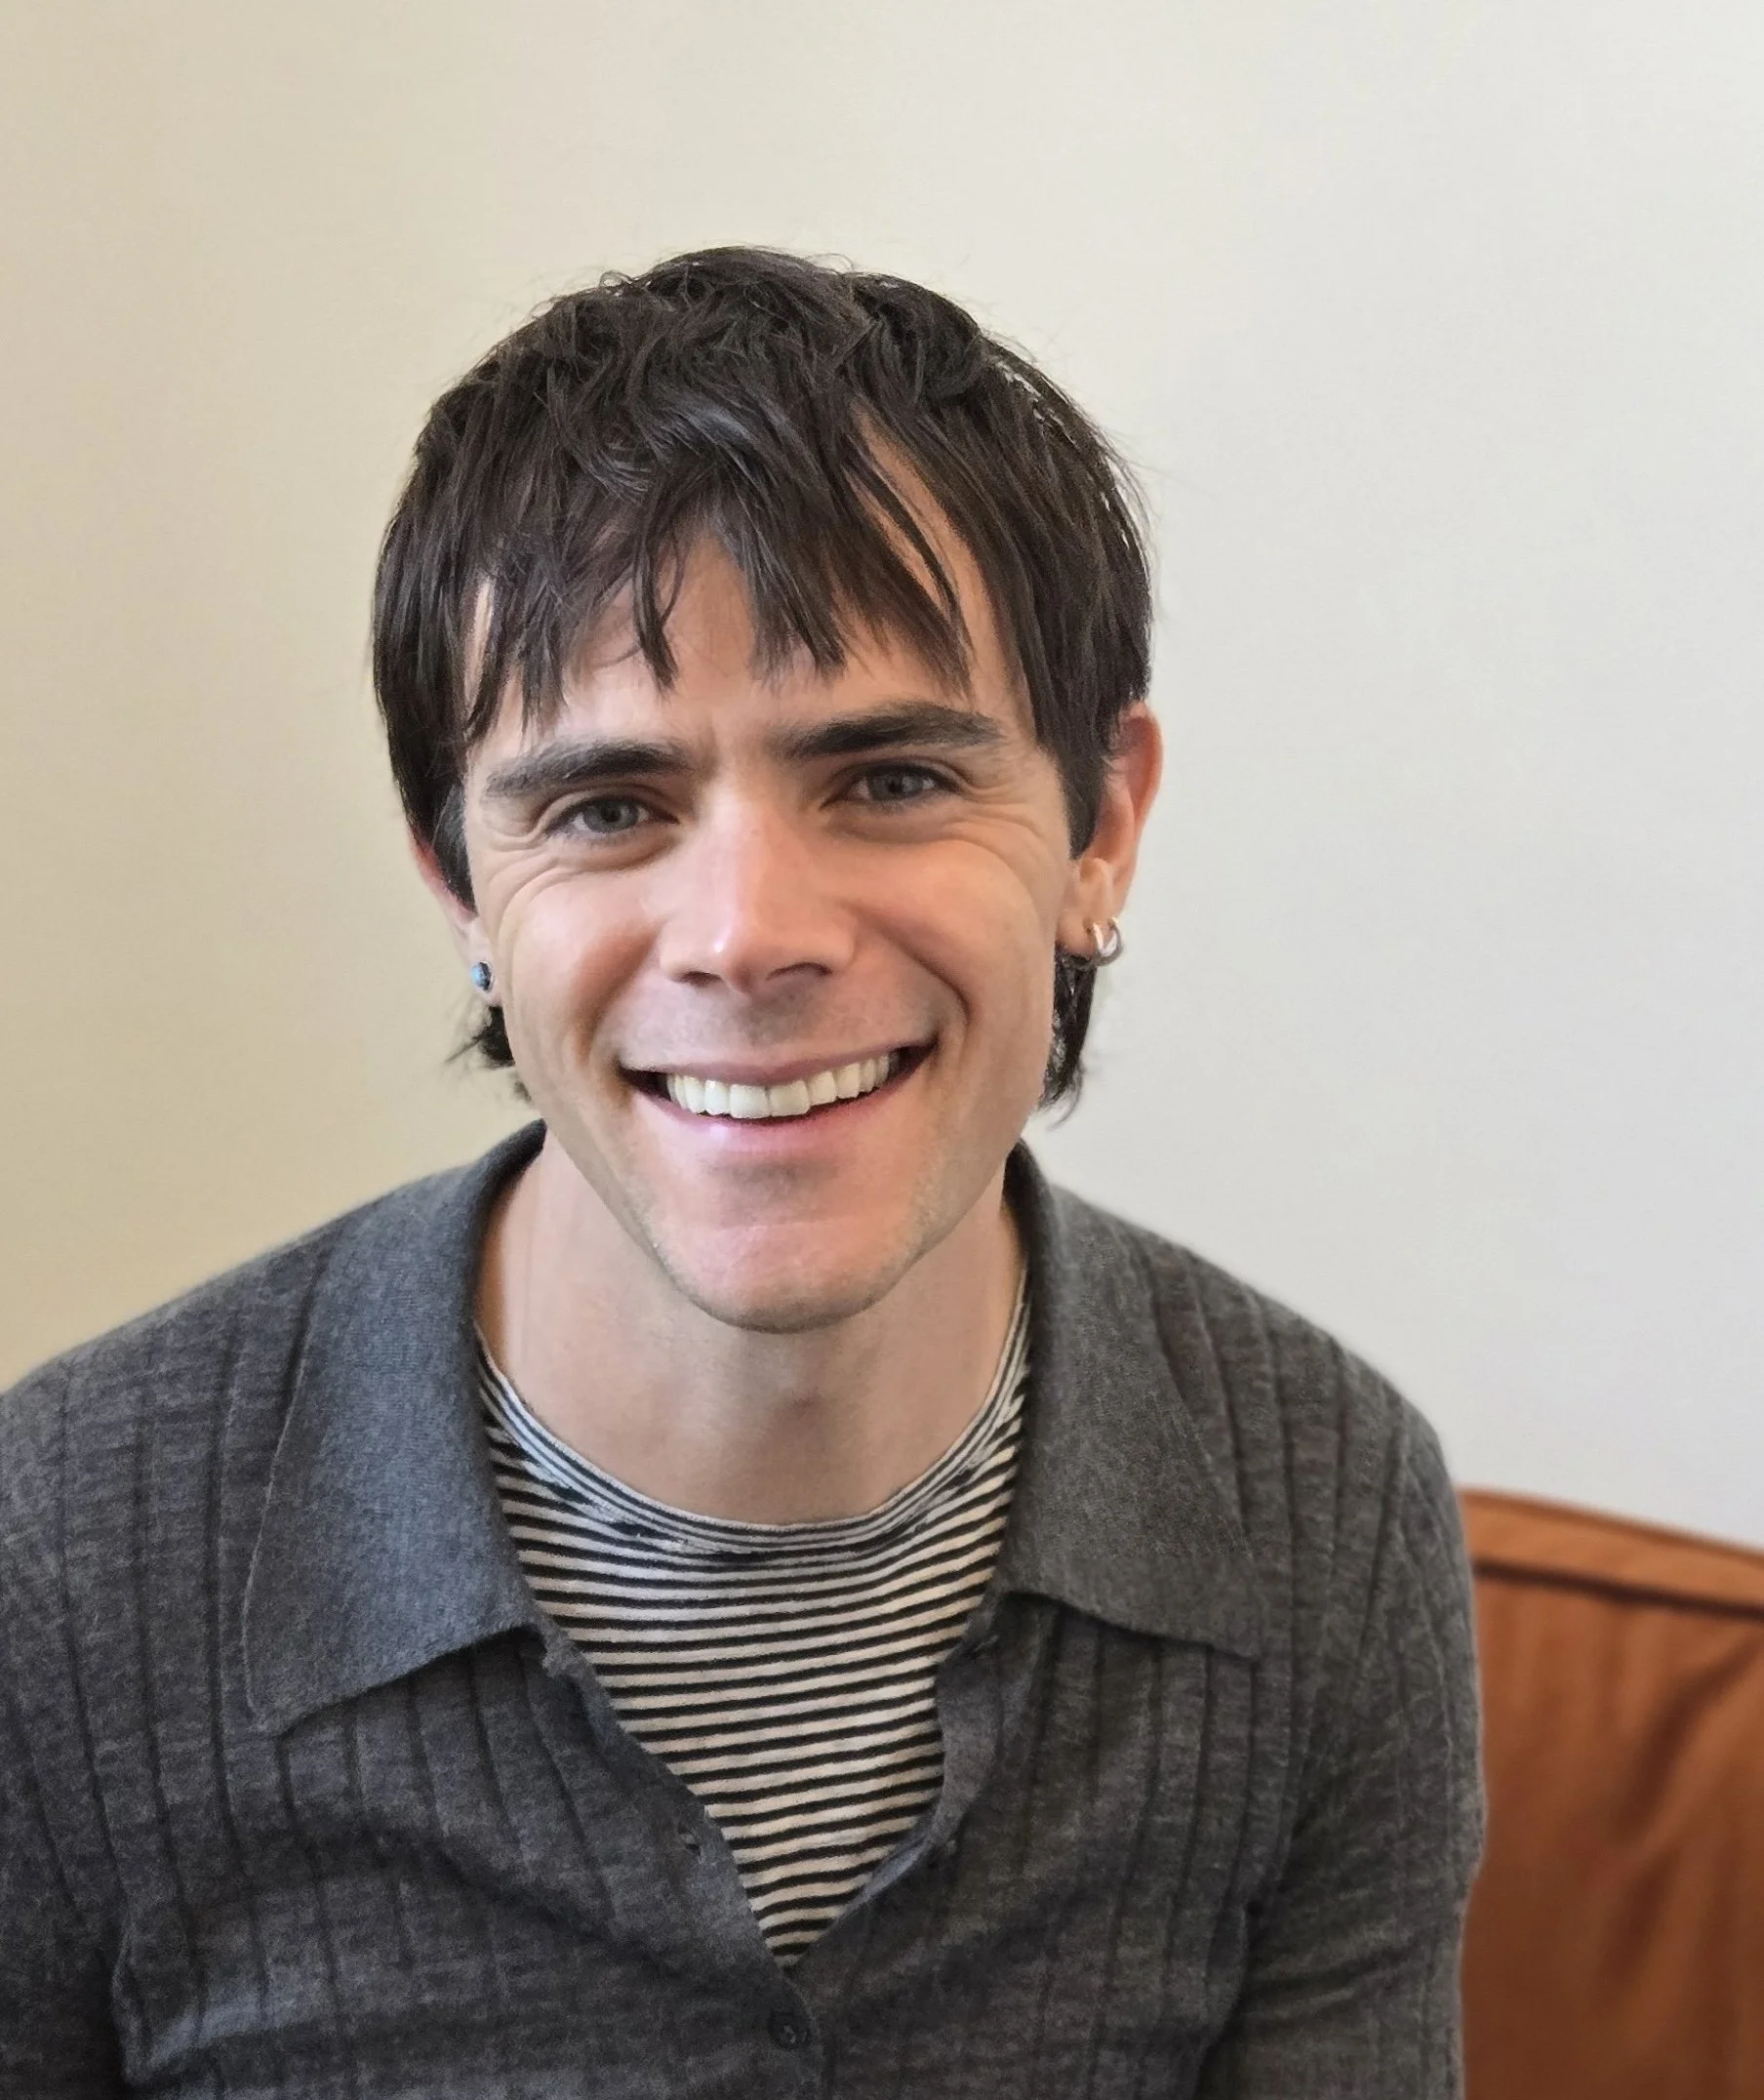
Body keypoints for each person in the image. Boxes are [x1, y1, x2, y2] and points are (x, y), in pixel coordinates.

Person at [0, 248, 1481, 2097]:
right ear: (462, 888)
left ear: (1101, 829)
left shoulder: (1326, 1509)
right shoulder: (58, 1553)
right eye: (607, 809)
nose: (748, 935)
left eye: (887, 780)